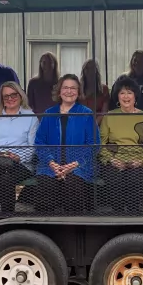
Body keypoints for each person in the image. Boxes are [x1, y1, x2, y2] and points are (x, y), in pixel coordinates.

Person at [34, 74, 99, 214]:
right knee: (45, 184)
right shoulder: (49, 113)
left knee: (73, 183)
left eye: (73, 88)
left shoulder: (86, 114)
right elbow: (39, 142)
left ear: (78, 92)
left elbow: (94, 144)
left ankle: (73, 224)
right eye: (65, 87)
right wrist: (51, 163)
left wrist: (74, 164)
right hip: (50, 166)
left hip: (79, 166)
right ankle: (46, 225)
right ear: (59, 91)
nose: (69, 91)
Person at [0, 81, 38, 215]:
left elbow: (33, 146)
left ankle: (7, 217)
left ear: (20, 95)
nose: (10, 98)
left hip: (20, 164)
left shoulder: (30, 117)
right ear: (1, 99)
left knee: (6, 178)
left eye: (14, 95)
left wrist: (18, 157)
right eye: (6, 96)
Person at [99, 76, 143, 214]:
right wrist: (112, 160)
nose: (126, 96)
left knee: (133, 178)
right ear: (117, 96)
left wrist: (140, 161)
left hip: (138, 161)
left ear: (135, 96)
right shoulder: (109, 116)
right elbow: (101, 143)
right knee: (114, 179)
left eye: (129, 93)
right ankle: (118, 216)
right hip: (114, 159)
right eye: (122, 93)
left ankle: (134, 216)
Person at [79, 58, 111, 124]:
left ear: (96, 71)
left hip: (98, 124)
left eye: (92, 68)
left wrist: (94, 124)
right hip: (80, 123)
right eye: (87, 68)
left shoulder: (104, 89)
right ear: (83, 71)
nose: (89, 71)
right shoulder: (77, 89)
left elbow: (104, 112)